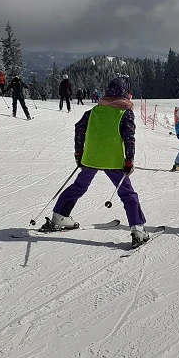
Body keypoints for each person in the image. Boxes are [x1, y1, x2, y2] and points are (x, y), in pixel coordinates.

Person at [47, 76, 149, 248]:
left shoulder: (94, 111)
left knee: (79, 186)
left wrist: (79, 152)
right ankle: (137, 229)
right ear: (125, 93)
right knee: (127, 194)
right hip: (113, 160)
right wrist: (129, 160)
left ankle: (59, 216)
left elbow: (79, 128)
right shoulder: (125, 112)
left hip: (91, 157)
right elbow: (129, 138)